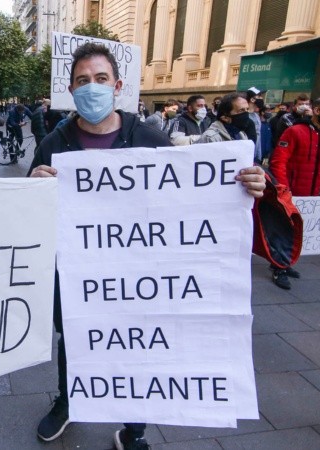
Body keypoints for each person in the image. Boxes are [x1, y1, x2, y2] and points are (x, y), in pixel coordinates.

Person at [28, 42, 267, 450]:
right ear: (70, 89)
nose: (92, 87)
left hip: (138, 275)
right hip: (78, 276)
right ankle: (70, 401)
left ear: (117, 85)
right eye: (82, 81)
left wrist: (243, 185)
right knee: (76, 337)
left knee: (138, 339)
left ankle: (134, 424)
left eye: (100, 79)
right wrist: (33, 188)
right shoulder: (54, 142)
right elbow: (31, 215)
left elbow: (188, 197)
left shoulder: (149, 137)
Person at [269, 96, 320, 290]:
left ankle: (284, 262)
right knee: (284, 230)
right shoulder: (294, 132)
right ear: (317, 110)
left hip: (310, 194)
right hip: (291, 193)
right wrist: (284, 189)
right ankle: (279, 268)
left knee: (297, 231)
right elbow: (279, 162)